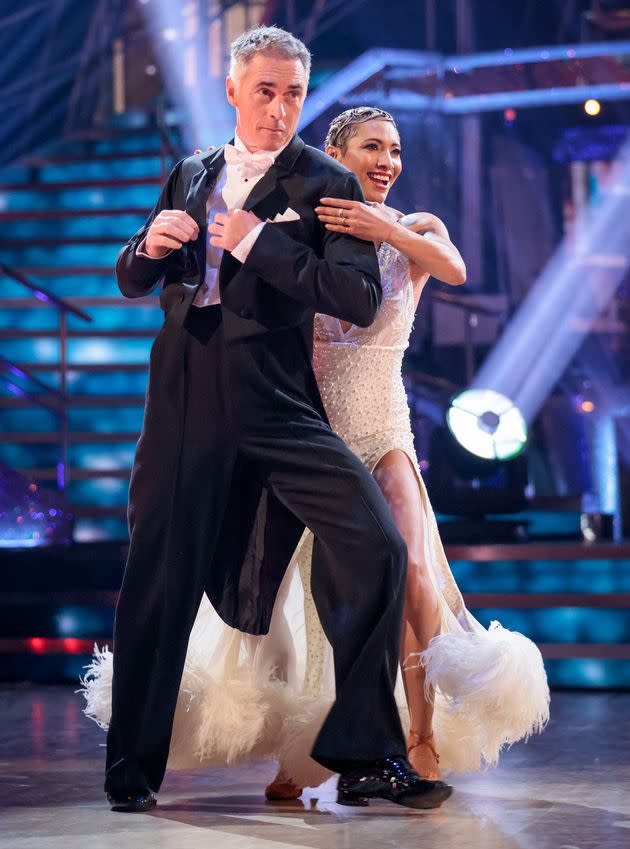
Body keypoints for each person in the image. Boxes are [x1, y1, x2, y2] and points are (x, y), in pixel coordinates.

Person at [84, 104, 549, 803]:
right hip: (281, 407)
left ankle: (399, 743)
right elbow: (159, 280)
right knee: (273, 595)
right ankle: (281, 753)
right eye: (372, 147)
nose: (386, 160)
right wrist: (163, 245)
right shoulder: (229, 183)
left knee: (399, 562)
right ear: (336, 154)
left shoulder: (379, 214)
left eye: (395, 148)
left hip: (363, 423)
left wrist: (352, 229)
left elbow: (413, 280)